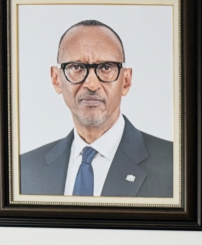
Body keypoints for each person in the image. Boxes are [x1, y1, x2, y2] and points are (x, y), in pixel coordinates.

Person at [20, 20, 173, 198]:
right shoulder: (24, 170)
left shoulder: (176, 165)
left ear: (126, 81)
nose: (91, 84)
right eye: (76, 67)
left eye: (106, 67)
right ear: (56, 79)